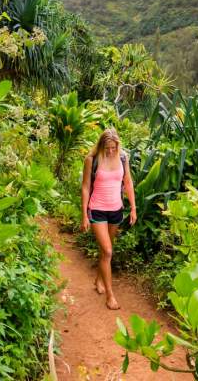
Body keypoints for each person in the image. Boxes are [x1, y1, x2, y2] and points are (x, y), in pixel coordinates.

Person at [80, 128, 136, 310]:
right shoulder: (92, 160)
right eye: (107, 148)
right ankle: (110, 296)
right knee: (108, 251)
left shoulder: (123, 158)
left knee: (106, 251)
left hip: (116, 210)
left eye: (113, 147)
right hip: (97, 210)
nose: (110, 151)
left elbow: (127, 182)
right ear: (101, 145)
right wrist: (84, 215)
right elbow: (86, 187)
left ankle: (98, 279)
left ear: (117, 145)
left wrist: (133, 208)